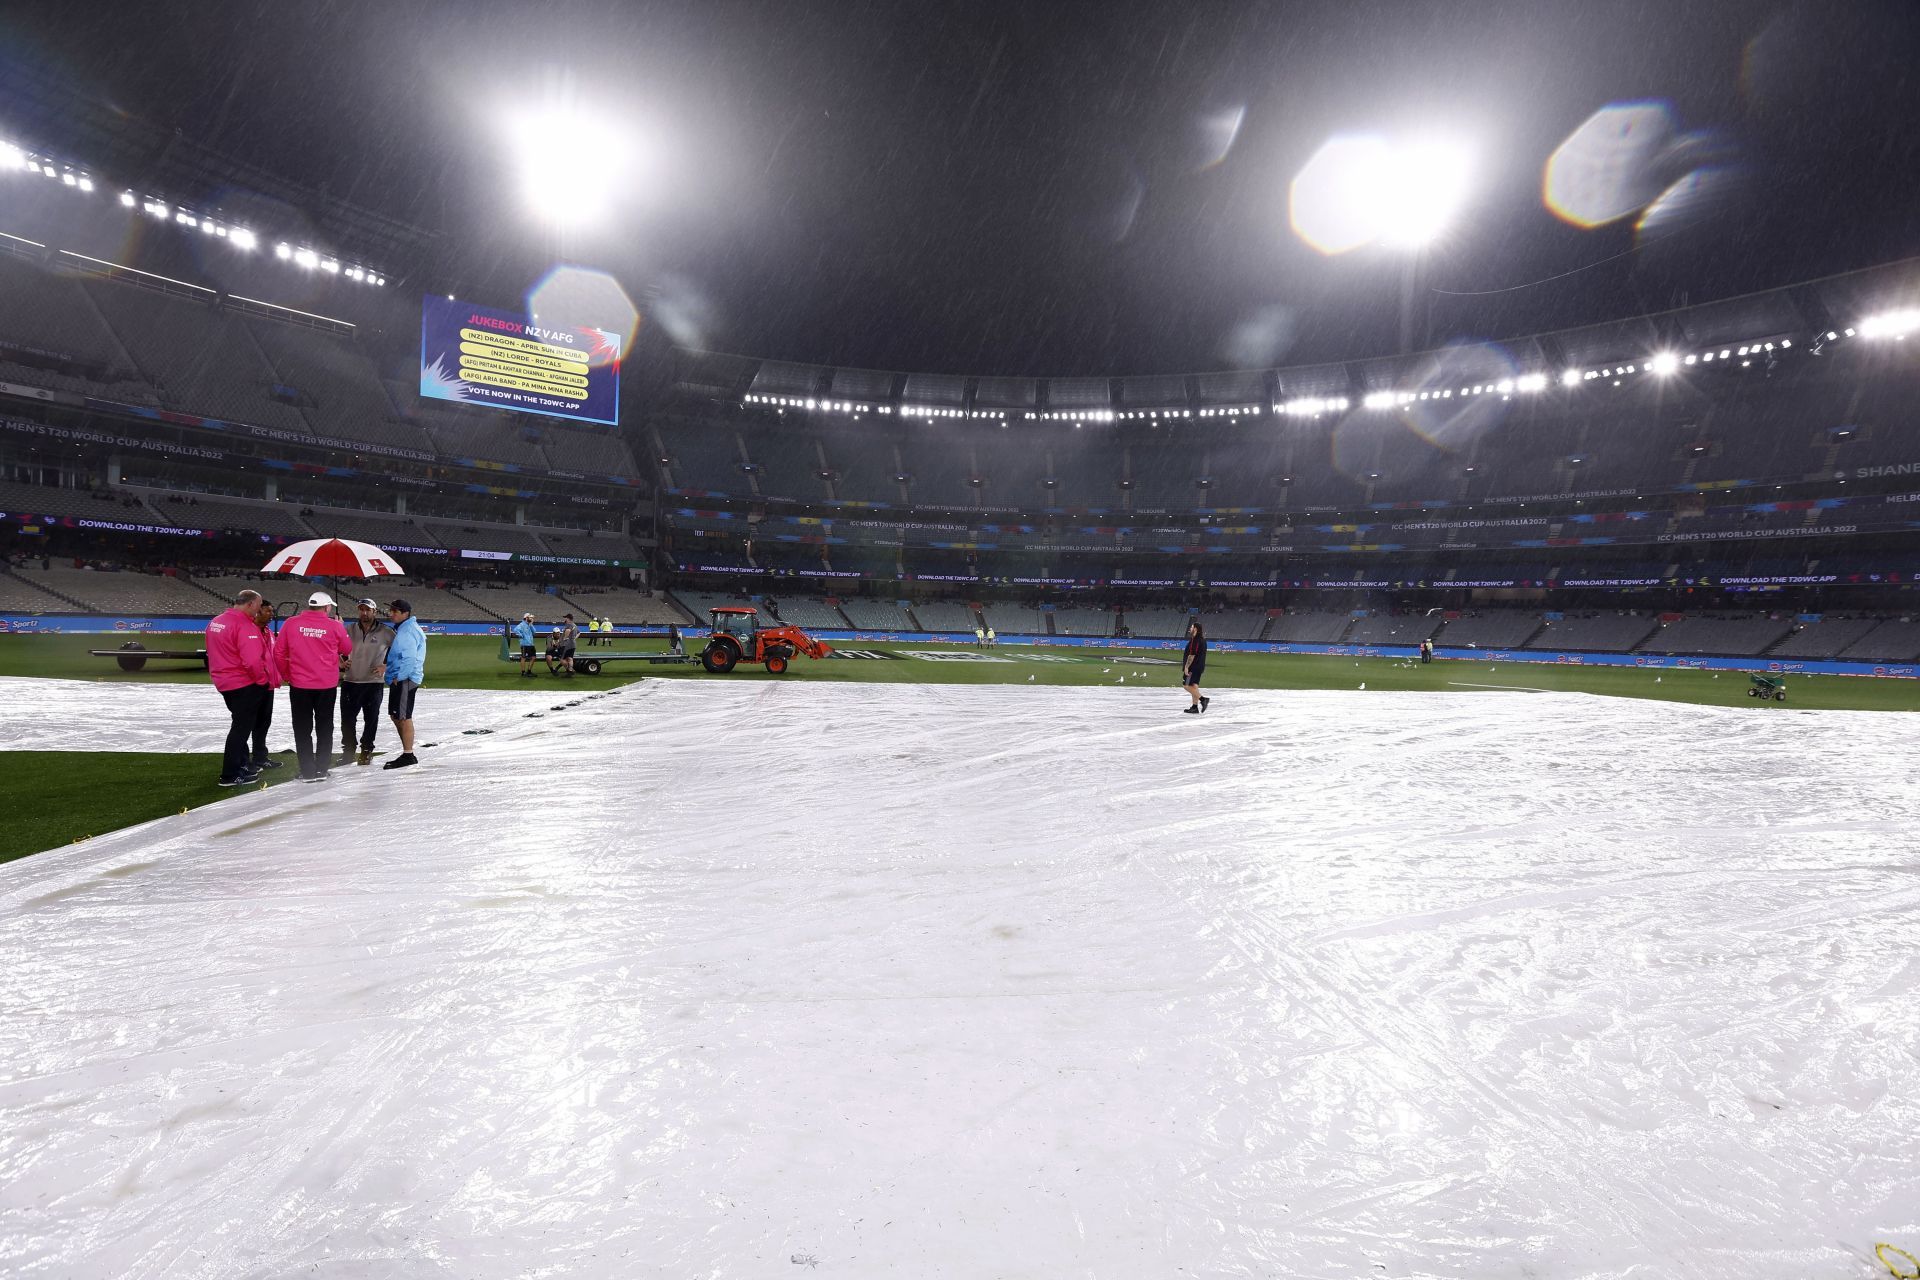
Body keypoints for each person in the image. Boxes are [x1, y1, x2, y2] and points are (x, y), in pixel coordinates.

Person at [274, 591, 352, 783]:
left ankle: (307, 771)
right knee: (324, 727)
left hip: (300, 684)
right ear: (327, 607)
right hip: (326, 685)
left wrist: (287, 675)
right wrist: (340, 627)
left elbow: (278, 653)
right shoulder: (334, 626)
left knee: (302, 728)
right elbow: (347, 649)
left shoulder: (291, 623)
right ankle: (322, 770)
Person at [206, 589, 277, 786]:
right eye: (259, 605)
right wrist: (262, 681)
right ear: (252, 604)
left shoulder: (216, 622)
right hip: (243, 683)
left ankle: (242, 765)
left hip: (223, 681)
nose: (259, 610)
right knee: (240, 730)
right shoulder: (245, 626)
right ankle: (230, 774)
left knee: (240, 727)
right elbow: (253, 662)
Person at [339, 598, 391, 766]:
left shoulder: (385, 631)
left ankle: (366, 750)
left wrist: (387, 665)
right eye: (361, 609)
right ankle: (348, 750)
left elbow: (402, 651)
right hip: (350, 681)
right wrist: (340, 661)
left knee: (371, 719)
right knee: (347, 719)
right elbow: (334, 647)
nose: (364, 613)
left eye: (368, 610)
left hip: (373, 682)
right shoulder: (348, 629)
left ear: (375, 612)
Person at [382, 598, 426, 771]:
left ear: (405, 613)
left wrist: (398, 677)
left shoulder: (407, 631)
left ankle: (408, 754)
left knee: (403, 716)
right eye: (391, 610)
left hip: (405, 679)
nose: (391, 614)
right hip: (401, 677)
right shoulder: (404, 628)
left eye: (395, 611)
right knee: (395, 715)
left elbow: (409, 658)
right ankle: (407, 752)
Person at [1181, 619, 1209, 714]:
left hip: (1193, 667)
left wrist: (1186, 667)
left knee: (1186, 685)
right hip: (1199, 666)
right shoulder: (1202, 640)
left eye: (1192, 627)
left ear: (1196, 629)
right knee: (1194, 686)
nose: (1190, 628)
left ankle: (1203, 699)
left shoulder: (1196, 640)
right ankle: (1194, 707)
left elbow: (1192, 655)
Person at [512, 611, 538, 676]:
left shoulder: (529, 624)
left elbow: (534, 632)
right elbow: (515, 630)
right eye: (530, 617)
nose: (531, 618)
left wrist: (531, 624)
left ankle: (529, 671)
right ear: (526, 618)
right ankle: (523, 672)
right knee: (523, 657)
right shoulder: (521, 624)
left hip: (531, 644)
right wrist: (521, 635)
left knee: (533, 657)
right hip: (524, 644)